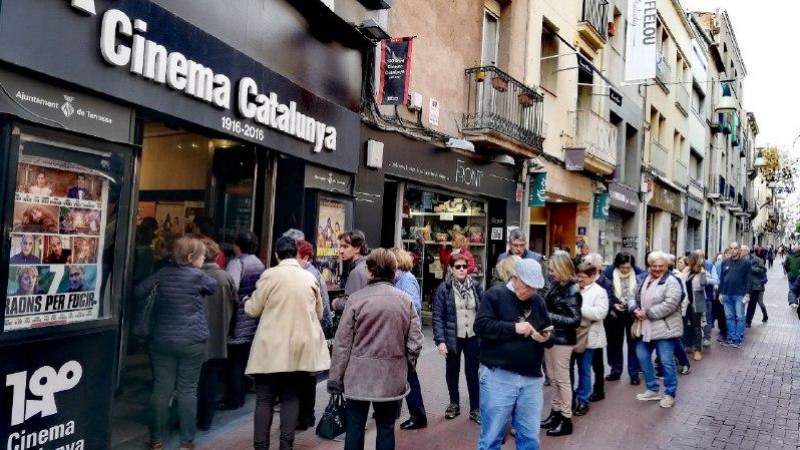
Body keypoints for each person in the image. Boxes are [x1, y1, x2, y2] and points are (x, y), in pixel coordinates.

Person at [328, 248, 423, 450]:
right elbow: (415, 341)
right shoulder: (405, 301)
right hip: (391, 375)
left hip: (358, 376)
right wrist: (406, 365)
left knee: (354, 427)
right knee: (386, 428)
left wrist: (335, 379)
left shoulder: (355, 300)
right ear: (393, 271)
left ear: (370, 272)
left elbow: (342, 344)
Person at [245, 236, 330, 450]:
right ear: (295, 253)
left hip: (270, 348)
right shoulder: (308, 278)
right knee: (291, 398)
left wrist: (247, 301)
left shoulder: (270, 275)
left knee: (264, 399)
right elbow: (319, 313)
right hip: (298, 349)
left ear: (276, 254)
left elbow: (253, 310)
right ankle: (286, 445)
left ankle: (261, 446)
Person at [134, 236, 218, 450]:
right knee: (188, 390)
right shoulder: (199, 276)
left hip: (161, 340)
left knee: (161, 389)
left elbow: (140, 291)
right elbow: (213, 287)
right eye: (201, 256)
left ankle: (156, 440)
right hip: (192, 341)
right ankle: (186, 441)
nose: (203, 260)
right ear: (191, 257)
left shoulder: (162, 274)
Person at [474, 259, 553, 450]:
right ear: (515, 278)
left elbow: (548, 330)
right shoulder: (494, 295)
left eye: (536, 287)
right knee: (491, 438)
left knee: (530, 438)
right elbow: (481, 326)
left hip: (532, 379)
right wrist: (514, 328)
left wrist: (546, 337)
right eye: (528, 286)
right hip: (498, 376)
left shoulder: (537, 301)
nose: (532, 291)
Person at [432, 253, 484, 424]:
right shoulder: (444, 289)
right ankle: (454, 403)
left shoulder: (476, 286)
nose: (462, 270)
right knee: (452, 371)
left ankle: (475, 408)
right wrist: (440, 340)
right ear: (451, 269)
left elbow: (484, 310)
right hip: (452, 336)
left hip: (473, 336)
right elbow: (437, 316)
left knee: (472, 372)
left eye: (464, 266)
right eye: (458, 267)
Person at [631, 251, 683, 409]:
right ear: (649, 266)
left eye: (661, 266)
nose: (658, 269)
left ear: (666, 266)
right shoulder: (642, 279)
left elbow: (671, 304)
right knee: (642, 355)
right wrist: (634, 309)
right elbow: (631, 296)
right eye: (654, 266)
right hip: (644, 327)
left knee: (666, 361)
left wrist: (647, 313)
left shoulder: (672, 281)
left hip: (664, 328)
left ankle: (670, 393)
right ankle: (653, 388)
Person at [220, 231, 265, 411]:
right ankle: (241, 393)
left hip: (237, 319)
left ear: (237, 246)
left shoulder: (236, 263)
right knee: (243, 359)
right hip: (252, 319)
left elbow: (232, 288)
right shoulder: (258, 263)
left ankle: (233, 398)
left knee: (234, 362)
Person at [196, 239, 237, 431]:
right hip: (219, 335)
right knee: (210, 378)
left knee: (193, 380)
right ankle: (206, 418)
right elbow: (235, 306)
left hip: (197, 337)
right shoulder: (225, 277)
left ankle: (194, 417)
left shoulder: (196, 276)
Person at [540, 251, 582, 437]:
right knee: (554, 378)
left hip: (563, 340)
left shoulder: (572, 289)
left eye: (552, 269)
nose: (550, 273)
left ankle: (566, 418)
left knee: (562, 379)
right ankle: (556, 413)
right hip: (553, 338)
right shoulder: (558, 285)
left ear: (561, 269)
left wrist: (548, 317)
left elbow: (575, 319)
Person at [388, 247, 428, 430]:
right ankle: (402, 411)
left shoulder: (406, 280)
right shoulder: (400, 279)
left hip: (406, 338)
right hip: (403, 336)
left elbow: (415, 309)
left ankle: (418, 415)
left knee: (409, 376)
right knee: (405, 375)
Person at [296, 239, 333, 431]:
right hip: (312, 329)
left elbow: (322, 305)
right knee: (308, 376)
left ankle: (303, 416)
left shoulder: (307, 274)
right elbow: (324, 305)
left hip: (305, 330)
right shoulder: (315, 274)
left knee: (303, 375)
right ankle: (307, 414)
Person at [572, 262, 608, 416]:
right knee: (569, 369)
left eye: (583, 277)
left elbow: (600, 313)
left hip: (589, 336)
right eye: (578, 276)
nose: (579, 279)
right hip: (572, 334)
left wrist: (578, 306)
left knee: (584, 369)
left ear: (593, 276)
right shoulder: (573, 288)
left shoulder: (600, 292)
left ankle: (583, 401)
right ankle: (571, 399)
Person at [604, 252, 641, 385]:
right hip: (615, 315)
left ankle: (634, 373)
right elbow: (604, 294)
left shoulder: (639, 274)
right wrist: (613, 304)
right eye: (622, 267)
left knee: (633, 344)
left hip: (632, 313)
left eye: (628, 267)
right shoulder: (608, 274)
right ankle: (615, 370)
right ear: (617, 265)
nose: (625, 270)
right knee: (614, 344)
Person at [719, 242, 753, 348]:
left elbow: (749, 279)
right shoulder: (724, 262)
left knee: (740, 317)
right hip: (726, 294)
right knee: (729, 317)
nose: (733, 250)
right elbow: (722, 279)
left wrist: (747, 294)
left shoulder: (745, 263)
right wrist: (720, 293)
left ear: (739, 250)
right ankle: (731, 337)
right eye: (731, 248)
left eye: (735, 248)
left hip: (739, 294)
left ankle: (737, 339)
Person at [496, 230, 547, 294]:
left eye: (522, 245)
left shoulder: (536, 259)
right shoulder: (502, 258)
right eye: (515, 245)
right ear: (509, 244)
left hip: (529, 298)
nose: (519, 249)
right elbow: (495, 282)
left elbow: (544, 286)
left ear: (525, 244)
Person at [331, 230, 370, 311]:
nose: (341, 251)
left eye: (345, 247)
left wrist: (336, 303)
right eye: (340, 246)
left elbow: (353, 303)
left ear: (357, 248)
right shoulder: (366, 265)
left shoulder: (358, 271)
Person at [682, 254, 708, 362]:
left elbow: (703, 284)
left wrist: (702, 272)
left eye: (689, 261)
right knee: (683, 325)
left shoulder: (702, 272)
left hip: (697, 302)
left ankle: (697, 349)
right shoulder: (686, 271)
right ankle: (683, 347)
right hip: (686, 302)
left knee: (696, 327)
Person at [745, 246, 769, 327]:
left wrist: (752, 268)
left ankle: (748, 321)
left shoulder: (757, 260)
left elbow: (763, 271)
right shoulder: (738, 260)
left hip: (756, 286)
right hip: (742, 286)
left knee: (756, 303)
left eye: (742, 250)